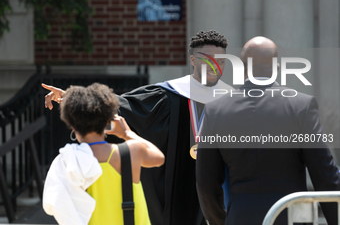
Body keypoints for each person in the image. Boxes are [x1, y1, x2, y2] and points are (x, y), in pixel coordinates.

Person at [43, 30, 233, 225]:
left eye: (222, 61)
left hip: (223, 189)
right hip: (179, 193)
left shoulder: (234, 100)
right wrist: (71, 97)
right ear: (193, 60)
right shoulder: (169, 96)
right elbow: (123, 105)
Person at [196, 36, 340, 225]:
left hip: (240, 218)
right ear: (276, 68)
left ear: (243, 68)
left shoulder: (216, 111)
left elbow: (206, 183)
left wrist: (221, 221)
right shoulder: (301, 107)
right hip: (289, 218)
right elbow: (324, 175)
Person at [43, 83, 164, 225]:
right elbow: (159, 158)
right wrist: (127, 133)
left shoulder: (68, 161)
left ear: (72, 125)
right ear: (108, 120)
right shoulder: (131, 152)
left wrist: (72, 102)